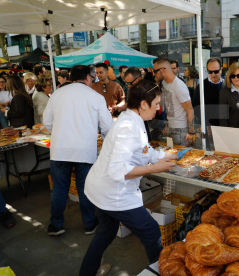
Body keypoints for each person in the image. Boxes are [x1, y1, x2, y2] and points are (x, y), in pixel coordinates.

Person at [79, 80, 188, 276]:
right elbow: (118, 170)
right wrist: (153, 169)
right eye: (156, 103)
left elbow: (144, 151)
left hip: (100, 188)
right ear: (143, 104)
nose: (159, 108)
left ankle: (87, 271)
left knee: (105, 232)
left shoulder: (134, 119)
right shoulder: (128, 126)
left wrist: (170, 155)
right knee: (151, 231)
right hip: (113, 193)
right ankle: (164, 271)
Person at [43, 65, 113, 236]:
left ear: (71, 77)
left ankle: (56, 225)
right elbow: (107, 127)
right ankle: (89, 224)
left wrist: (60, 133)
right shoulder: (95, 96)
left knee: (59, 189)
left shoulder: (57, 94)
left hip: (60, 149)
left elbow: (46, 121)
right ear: (88, 78)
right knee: (84, 188)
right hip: (84, 150)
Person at [153, 57, 195, 146]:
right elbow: (169, 107)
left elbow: (190, 110)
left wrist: (191, 132)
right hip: (170, 127)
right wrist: (166, 125)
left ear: (163, 69)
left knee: (180, 158)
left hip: (180, 129)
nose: (154, 73)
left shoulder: (179, 86)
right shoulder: (164, 83)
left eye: (155, 71)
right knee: (171, 157)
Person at [193, 57, 225, 127]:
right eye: (210, 72)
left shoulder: (227, 85)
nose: (213, 74)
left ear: (221, 70)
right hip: (207, 127)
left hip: (224, 126)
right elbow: (196, 107)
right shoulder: (201, 86)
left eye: (216, 71)